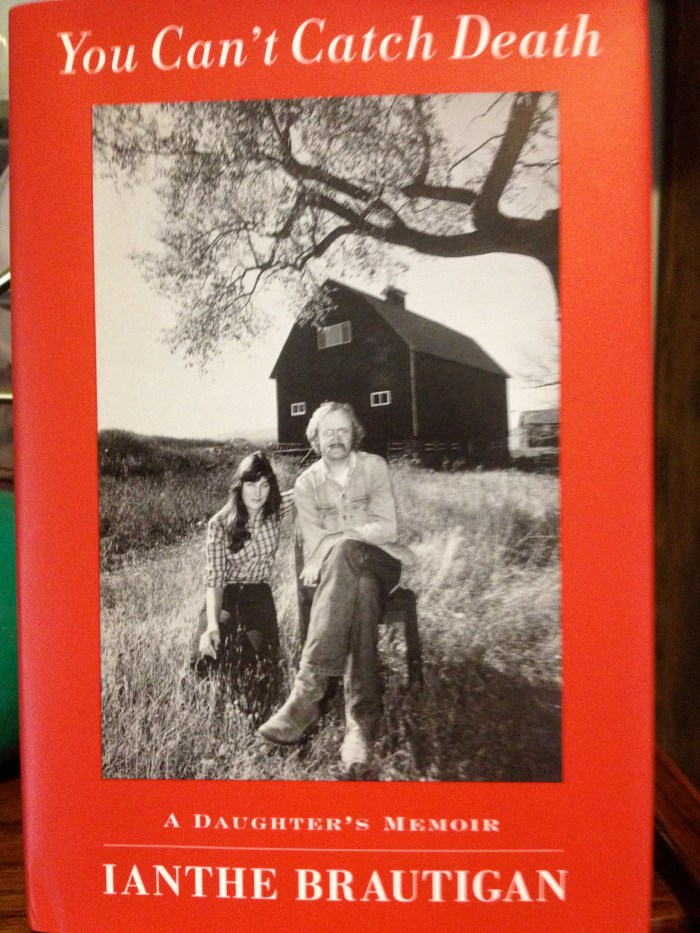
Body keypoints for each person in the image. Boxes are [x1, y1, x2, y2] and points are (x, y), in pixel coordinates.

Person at [258, 402, 412, 775]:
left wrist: (338, 537)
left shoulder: (374, 466)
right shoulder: (307, 483)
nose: (336, 438)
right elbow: (316, 547)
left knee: (347, 553)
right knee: (361, 589)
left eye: (343, 430)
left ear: (354, 434)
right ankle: (360, 725)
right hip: (346, 577)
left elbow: (387, 527)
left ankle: (306, 695)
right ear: (316, 439)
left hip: (383, 561)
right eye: (328, 432)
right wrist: (334, 543)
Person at [190, 451, 293, 719]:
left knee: (260, 667)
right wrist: (213, 625)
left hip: (258, 594)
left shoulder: (275, 509)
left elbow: (307, 488)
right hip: (226, 594)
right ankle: (213, 709)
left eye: (265, 485)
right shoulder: (219, 524)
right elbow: (215, 579)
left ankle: (254, 713)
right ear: (239, 486)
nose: (258, 493)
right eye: (251, 484)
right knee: (204, 657)